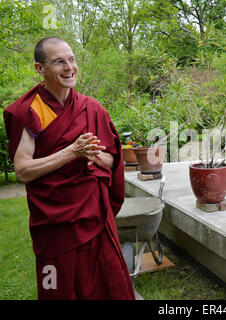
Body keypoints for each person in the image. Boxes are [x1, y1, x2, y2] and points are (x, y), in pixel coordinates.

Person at [3, 37, 135, 300]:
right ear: (39, 68)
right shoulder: (28, 112)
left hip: (94, 216)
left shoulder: (91, 108)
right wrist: (72, 152)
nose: (69, 67)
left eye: (72, 60)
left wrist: (93, 155)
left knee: (110, 285)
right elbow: (23, 171)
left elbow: (112, 161)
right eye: (59, 62)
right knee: (60, 290)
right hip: (55, 223)